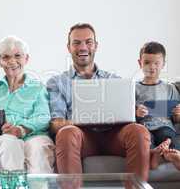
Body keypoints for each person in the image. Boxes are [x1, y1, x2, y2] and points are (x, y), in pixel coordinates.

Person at [47, 23, 151, 181]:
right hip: (81, 138)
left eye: (88, 42)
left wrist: (135, 112)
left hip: (114, 135)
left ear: (96, 46)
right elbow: (55, 124)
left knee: (139, 131)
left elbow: (130, 115)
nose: (83, 47)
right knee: (66, 133)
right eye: (76, 43)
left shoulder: (114, 80)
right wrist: (81, 120)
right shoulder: (57, 82)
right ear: (68, 47)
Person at [0, 36, 55, 173]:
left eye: (18, 56)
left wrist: (21, 129)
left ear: (26, 59)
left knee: (38, 149)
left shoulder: (38, 88)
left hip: (33, 135)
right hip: (2, 137)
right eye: (5, 57)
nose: (12, 61)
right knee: (9, 143)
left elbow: (43, 117)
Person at [135, 41, 180, 169]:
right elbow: (127, 114)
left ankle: (166, 151)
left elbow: (176, 119)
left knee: (167, 134)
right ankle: (157, 153)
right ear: (140, 63)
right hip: (145, 126)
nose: (151, 67)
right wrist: (136, 113)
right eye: (147, 62)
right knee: (144, 138)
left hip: (164, 125)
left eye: (156, 63)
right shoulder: (134, 88)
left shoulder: (169, 88)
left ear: (163, 65)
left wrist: (178, 114)